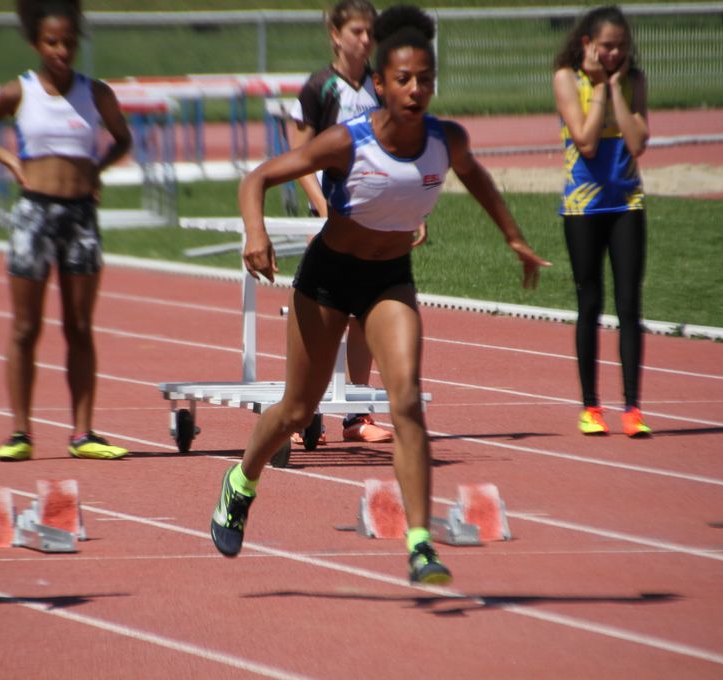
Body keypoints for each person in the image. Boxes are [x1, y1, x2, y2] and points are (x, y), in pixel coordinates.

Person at [209, 5, 550, 584]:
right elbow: (257, 178)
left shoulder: (447, 140)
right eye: (402, 79)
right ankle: (240, 482)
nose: (415, 90)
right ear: (379, 84)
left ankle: (420, 544)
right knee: (297, 408)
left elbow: (478, 179)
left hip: (389, 280)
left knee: (407, 400)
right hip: (327, 277)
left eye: (424, 80)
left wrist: (514, 237)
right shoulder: (349, 141)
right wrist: (257, 231)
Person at [0, 0, 133, 461]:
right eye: (51, 43)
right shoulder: (18, 92)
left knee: (79, 326)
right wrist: (11, 161)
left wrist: (97, 169)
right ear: (36, 43)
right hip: (33, 215)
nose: (61, 51)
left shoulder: (95, 93)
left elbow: (123, 139)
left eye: (69, 43)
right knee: (25, 326)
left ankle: (83, 434)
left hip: (80, 216)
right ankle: (20, 432)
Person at [288, 0, 425, 445]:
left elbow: (402, 148)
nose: (366, 41)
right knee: (324, 312)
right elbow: (297, 158)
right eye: (358, 32)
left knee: (365, 315)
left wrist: (410, 210)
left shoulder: (382, 85)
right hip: (332, 219)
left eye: (371, 33)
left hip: (380, 220)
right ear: (335, 34)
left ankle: (355, 414)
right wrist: (321, 206)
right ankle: (306, 409)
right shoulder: (318, 88)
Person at [552, 5, 651, 438]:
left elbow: (637, 142)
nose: (614, 54)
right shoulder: (565, 80)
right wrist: (595, 86)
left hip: (627, 202)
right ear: (587, 44)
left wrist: (613, 88)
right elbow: (587, 142)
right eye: (606, 47)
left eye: (621, 48)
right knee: (589, 303)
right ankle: (591, 406)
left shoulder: (633, 82)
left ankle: (632, 407)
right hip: (583, 208)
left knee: (630, 306)